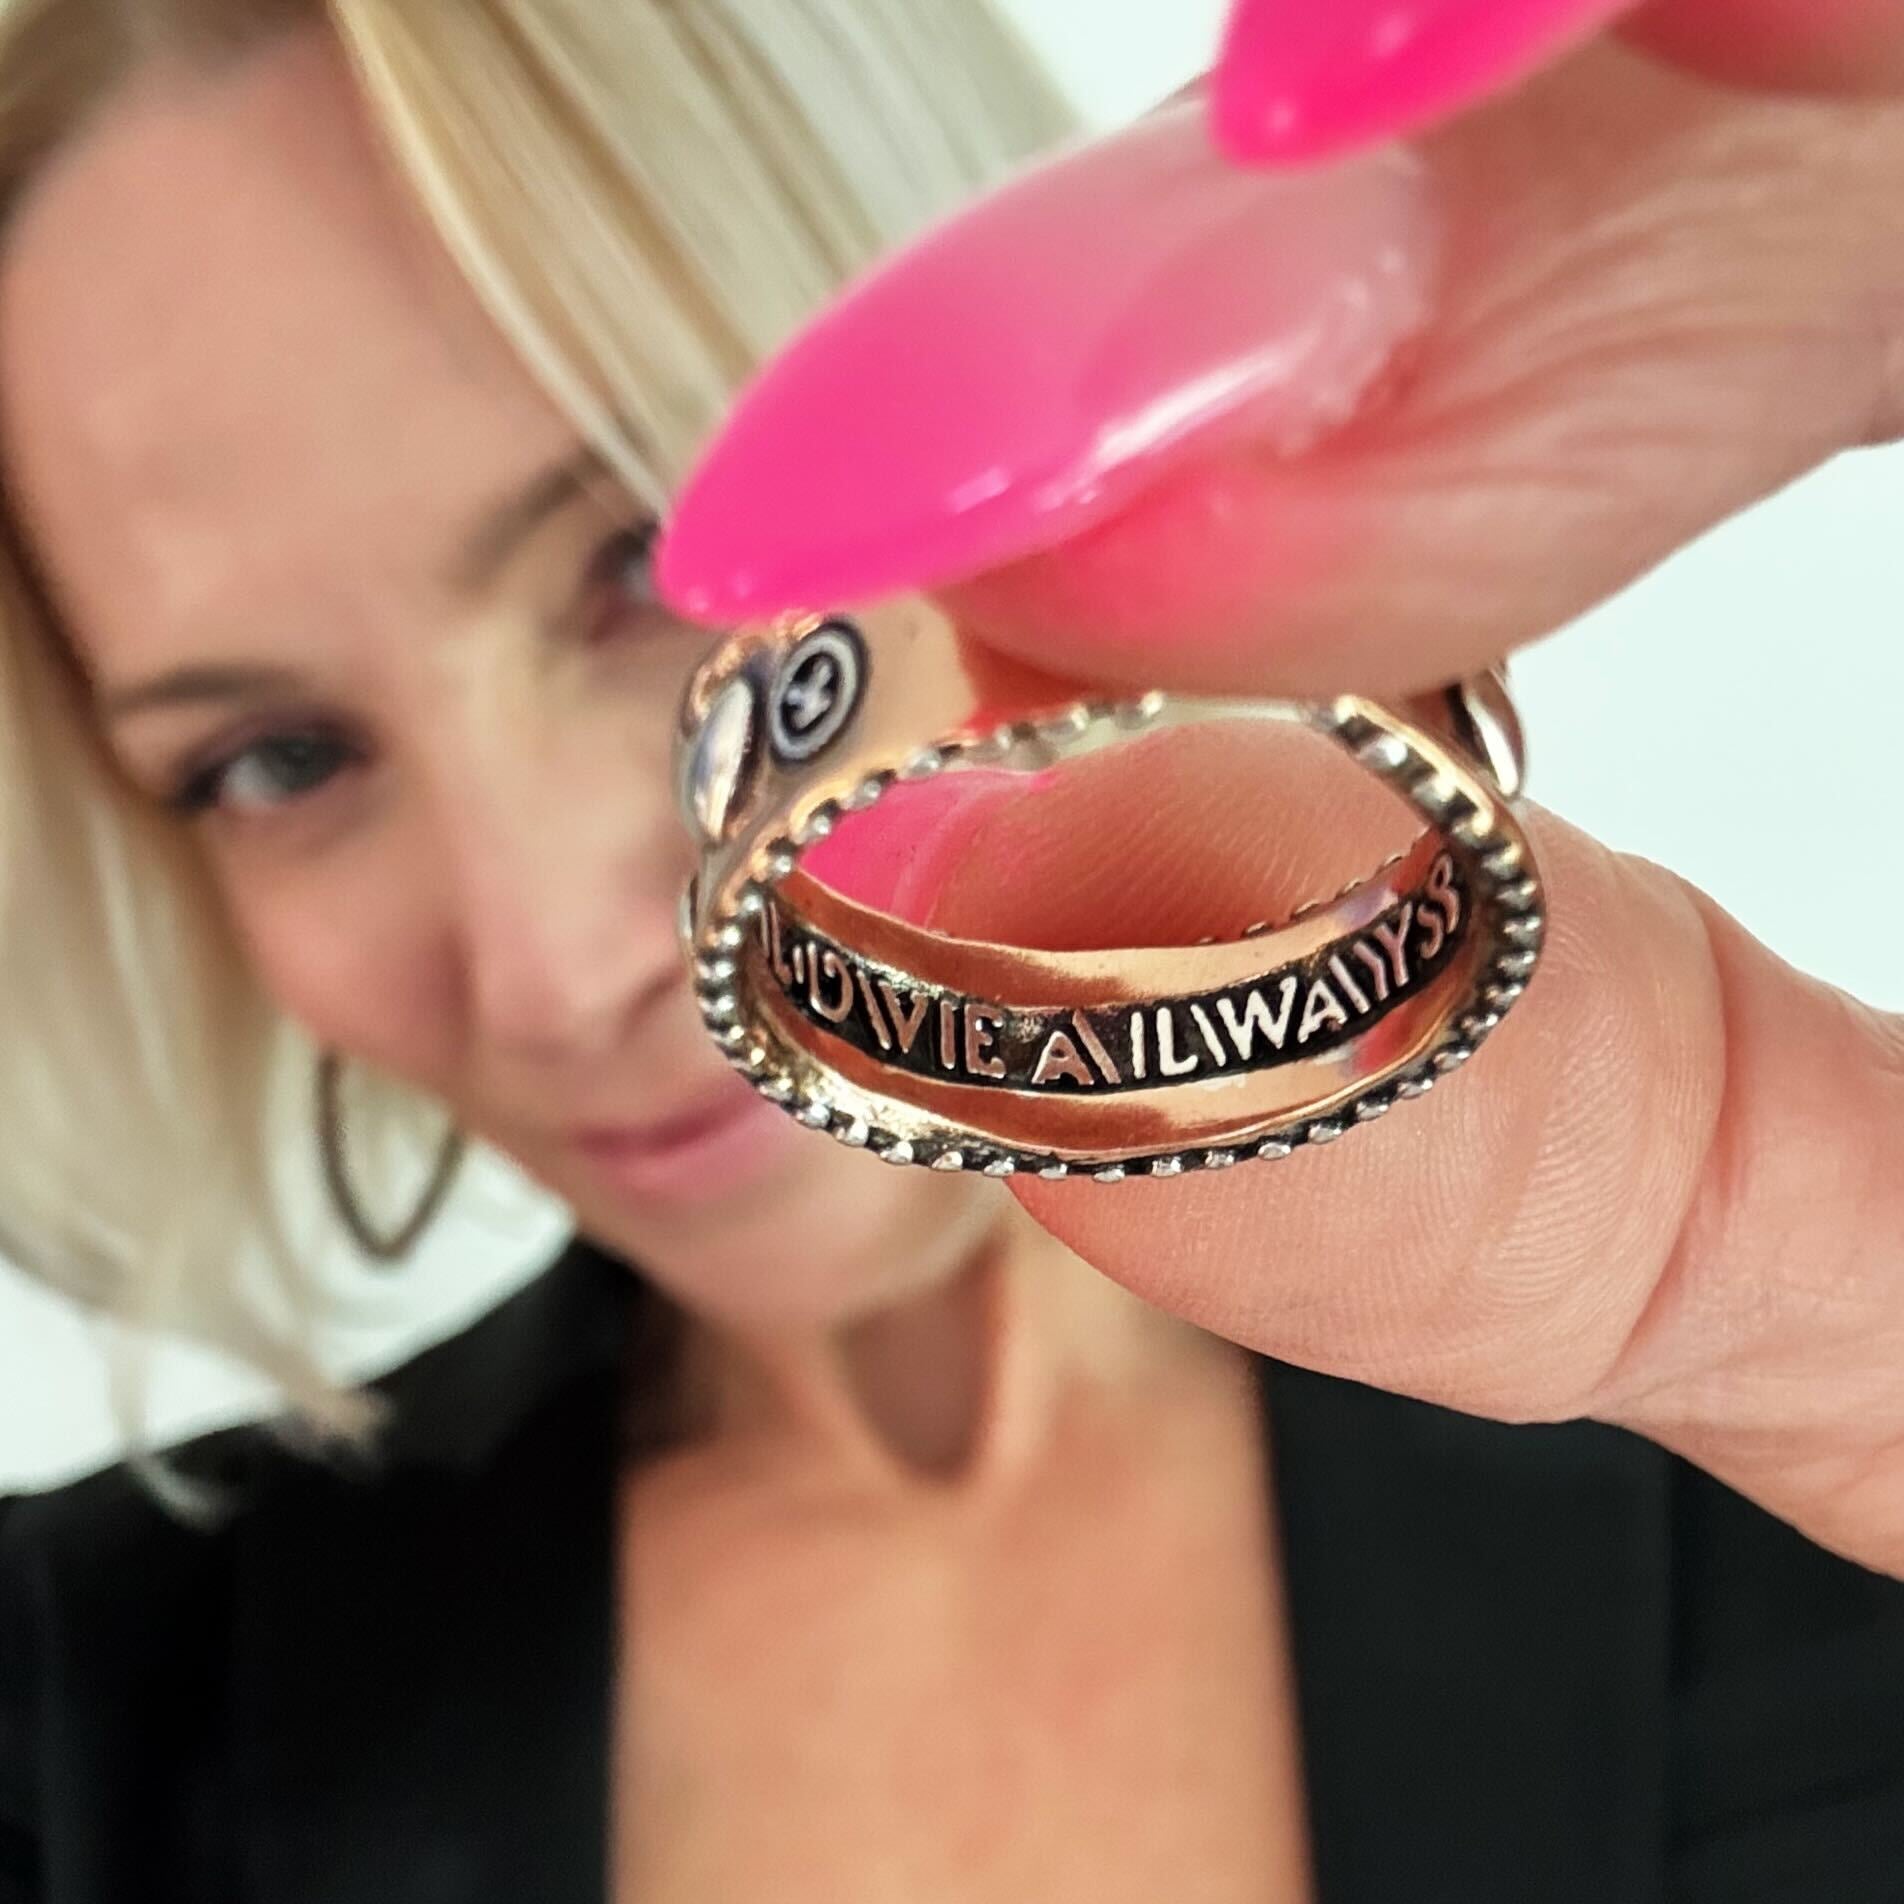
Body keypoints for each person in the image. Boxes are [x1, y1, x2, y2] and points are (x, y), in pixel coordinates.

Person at [2, 0, 1903, 1898]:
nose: (551, 967)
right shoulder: (68, 1728)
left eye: (648, 563)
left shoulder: (1791, 1410)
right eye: (277, 760)